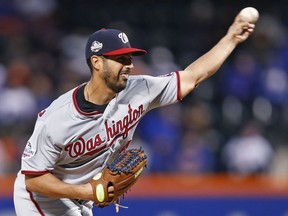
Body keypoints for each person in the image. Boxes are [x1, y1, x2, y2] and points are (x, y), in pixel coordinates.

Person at [13, 11, 255, 216]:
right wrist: (86, 191)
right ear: (96, 63)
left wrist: (231, 38)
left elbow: (193, 77)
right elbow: (33, 179)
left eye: (129, 57)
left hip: (79, 197)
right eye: (119, 59)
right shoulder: (57, 118)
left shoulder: (140, 89)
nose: (128, 64)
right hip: (38, 200)